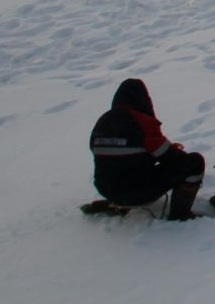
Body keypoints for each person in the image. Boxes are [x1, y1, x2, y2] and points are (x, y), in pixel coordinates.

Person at [89, 78, 208, 220]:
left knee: (120, 170)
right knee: (194, 163)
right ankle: (180, 215)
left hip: (105, 188)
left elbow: (110, 155)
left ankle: (116, 202)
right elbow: (169, 156)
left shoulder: (103, 121)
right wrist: (173, 150)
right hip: (136, 191)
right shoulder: (141, 120)